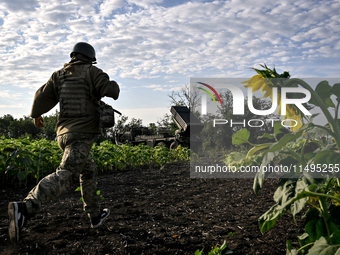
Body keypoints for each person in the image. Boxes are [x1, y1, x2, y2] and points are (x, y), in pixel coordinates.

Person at [8, 42, 120, 242]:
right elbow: (111, 91)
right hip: (82, 134)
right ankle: (25, 208)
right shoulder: (92, 71)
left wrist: (36, 115)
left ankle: (95, 215)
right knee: (67, 175)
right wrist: (112, 85)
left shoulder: (58, 75)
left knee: (88, 169)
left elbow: (41, 96)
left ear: (73, 56)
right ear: (90, 57)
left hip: (63, 134)